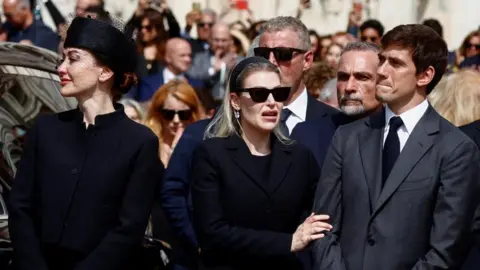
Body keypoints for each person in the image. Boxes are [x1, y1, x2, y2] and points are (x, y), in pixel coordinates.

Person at [312, 24, 480, 270]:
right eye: (382, 60)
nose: (381, 71)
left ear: (425, 75)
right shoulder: (347, 137)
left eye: (396, 63)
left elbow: (447, 246)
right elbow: (323, 225)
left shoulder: (455, 148)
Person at [8, 16, 163, 270]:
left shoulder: (139, 142)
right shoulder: (46, 129)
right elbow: (20, 206)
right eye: (63, 58)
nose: (61, 68)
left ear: (105, 71)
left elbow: (129, 229)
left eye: (74, 58)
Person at [191, 56, 329, 270]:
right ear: (235, 100)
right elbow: (211, 233)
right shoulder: (211, 154)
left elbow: (317, 219)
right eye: (259, 94)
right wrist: (287, 242)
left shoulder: (301, 157)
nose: (272, 102)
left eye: (279, 93)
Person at [292, 41, 383, 167]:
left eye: (362, 77)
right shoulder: (307, 135)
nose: (349, 87)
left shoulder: (400, 134)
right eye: (343, 77)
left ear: (383, 81)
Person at [255, 16, 339, 136]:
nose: (271, 61)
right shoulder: (240, 120)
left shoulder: (335, 124)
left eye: (282, 54)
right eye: (263, 54)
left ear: (307, 60)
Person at [145, 80, 206, 167]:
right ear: (158, 113)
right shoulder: (149, 144)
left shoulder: (202, 146)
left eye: (184, 114)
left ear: (193, 114)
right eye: (169, 114)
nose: (176, 120)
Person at [129, 38, 204, 103]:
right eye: (182, 55)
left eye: (189, 55)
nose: (188, 59)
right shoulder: (148, 83)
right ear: (168, 57)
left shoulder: (197, 85)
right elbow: (143, 110)